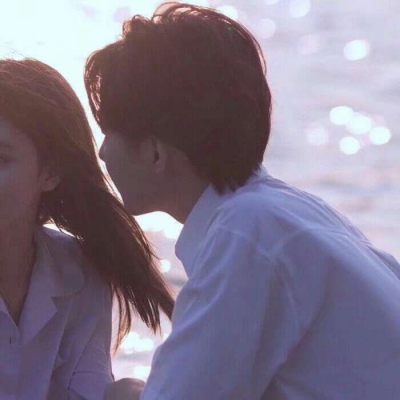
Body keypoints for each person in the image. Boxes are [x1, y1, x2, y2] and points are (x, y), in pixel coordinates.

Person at [85, 3, 400, 399]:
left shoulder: (245, 238)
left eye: (108, 133)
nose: (102, 153)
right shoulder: (295, 214)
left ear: (155, 153)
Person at [0, 58, 174, 400]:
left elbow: (87, 394)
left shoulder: (81, 271)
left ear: (51, 172)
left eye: (0, 159)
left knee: (128, 393)